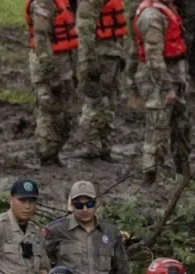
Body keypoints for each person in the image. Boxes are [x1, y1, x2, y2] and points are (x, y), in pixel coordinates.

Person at [42, 180, 130, 274]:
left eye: (89, 204)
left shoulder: (110, 231)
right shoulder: (56, 230)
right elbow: (41, 263)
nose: (85, 209)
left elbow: (122, 269)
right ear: (72, 205)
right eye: (79, 205)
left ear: (96, 203)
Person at [133, 0, 193, 183]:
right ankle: (150, 175)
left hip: (174, 74)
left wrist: (182, 79)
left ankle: (183, 170)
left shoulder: (168, 9)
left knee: (181, 124)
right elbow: (154, 58)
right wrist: (166, 88)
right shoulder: (151, 15)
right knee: (157, 127)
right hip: (157, 79)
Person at [73, 0, 130, 159]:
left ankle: (105, 147)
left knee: (110, 102)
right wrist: (90, 60)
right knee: (94, 101)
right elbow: (85, 29)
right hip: (99, 56)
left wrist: (121, 54)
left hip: (112, 55)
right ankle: (90, 146)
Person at [26, 0, 79, 165]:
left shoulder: (62, 2)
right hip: (48, 66)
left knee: (66, 113)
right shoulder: (42, 3)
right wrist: (51, 76)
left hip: (64, 64)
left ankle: (53, 153)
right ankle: (47, 155)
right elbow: (41, 42)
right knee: (49, 109)